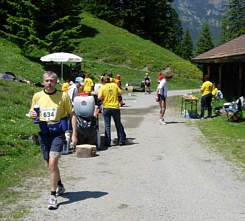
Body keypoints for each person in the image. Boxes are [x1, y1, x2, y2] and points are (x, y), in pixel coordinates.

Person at [29, 71, 77, 210]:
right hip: (44, 134)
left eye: (52, 80)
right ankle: (59, 185)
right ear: (43, 82)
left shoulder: (63, 96)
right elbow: (33, 112)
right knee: (50, 165)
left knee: (52, 163)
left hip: (58, 134)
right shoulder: (37, 96)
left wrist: (74, 134)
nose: (49, 83)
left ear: (56, 82)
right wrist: (32, 114)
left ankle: (52, 196)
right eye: (47, 80)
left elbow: (72, 114)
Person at [98, 76, 126, 146]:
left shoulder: (103, 87)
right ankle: (121, 140)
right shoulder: (114, 85)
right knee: (118, 124)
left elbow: (99, 97)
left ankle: (108, 142)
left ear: (103, 81)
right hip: (115, 107)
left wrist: (104, 97)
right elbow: (120, 93)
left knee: (107, 125)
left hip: (106, 107)